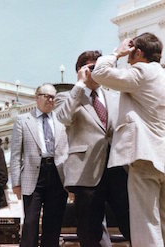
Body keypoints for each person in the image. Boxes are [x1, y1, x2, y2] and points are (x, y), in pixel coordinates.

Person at [92, 32, 165, 247]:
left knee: (146, 221)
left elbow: (100, 73)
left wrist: (117, 52)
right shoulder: (162, 74)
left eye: (131, 53)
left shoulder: (141, 72)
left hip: (146, 157)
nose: (128, 59)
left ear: (139, 52)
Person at [55, 50, 130, 246]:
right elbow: (63, 117)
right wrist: (80, 84)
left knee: (130, 221)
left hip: (117, 168)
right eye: (91, 68)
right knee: (89, 230)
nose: (96, 72)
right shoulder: (67, 97)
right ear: (80, 70)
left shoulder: (114, 97)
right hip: (85, 171)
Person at [10, 83, 68, 247]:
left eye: (53, 97)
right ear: (37, 97)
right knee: (30, 223)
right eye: (46, 96)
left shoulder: (62, 120)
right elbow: (15, 154)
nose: (50, 100)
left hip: (57, 174)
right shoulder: (23, 120)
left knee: (53, 223)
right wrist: (16, 182)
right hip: (33, 176)